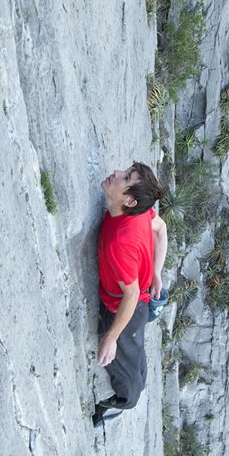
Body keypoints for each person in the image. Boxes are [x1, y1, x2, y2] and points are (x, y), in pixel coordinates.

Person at [93, 162, 167, 427]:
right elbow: (162, 229)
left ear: (130, 200)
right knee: (136, 361)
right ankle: (137, 378)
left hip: (127, 309)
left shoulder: (120, 241)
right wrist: (156, 271)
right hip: (139, 303)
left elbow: (131, 295)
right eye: (126, 173)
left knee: (132, 390)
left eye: (124, 178)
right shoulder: (141, 214)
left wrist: (110, 337)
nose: (115, 173)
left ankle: (112, 404)